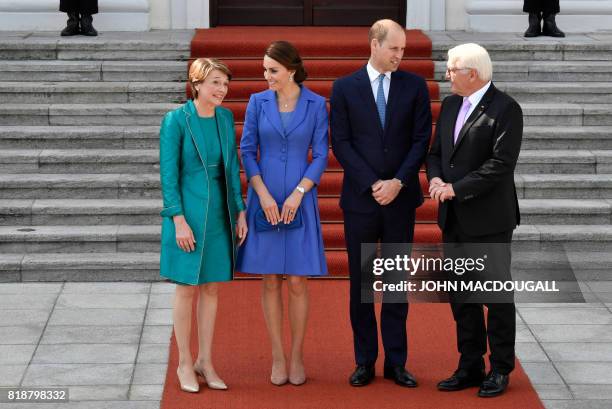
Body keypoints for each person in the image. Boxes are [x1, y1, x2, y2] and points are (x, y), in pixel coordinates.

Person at [330, 19, 432, 388]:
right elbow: (340, 143)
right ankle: (364, 361)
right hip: (360, 200)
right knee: (360, 285)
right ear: (375, 44)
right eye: (394, 49)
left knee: (394, 284)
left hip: (400, 200)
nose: (400, 56)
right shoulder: (344, 88)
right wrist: (374, 183)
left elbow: (421, 140)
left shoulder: (415, 86)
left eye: (403, 50)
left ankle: (396, 362)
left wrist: (398, 182)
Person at [426, 43, 522, 398]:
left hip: (490, 220)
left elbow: (501, 164)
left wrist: (456, 189)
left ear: (474, 73)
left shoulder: (506, 109)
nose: (447, 75)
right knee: (460, 295)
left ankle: (500, 368)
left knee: (495, 297)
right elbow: (435, 154)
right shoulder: (451, 104)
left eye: (452, 69)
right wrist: (435, 180)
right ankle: (470, 363)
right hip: (453, 218)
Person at [236, 41, 329, 386]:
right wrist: (261, 196)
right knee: (271, 278)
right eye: (264, 70)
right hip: (264, 197)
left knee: (298, 281)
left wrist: (298, 194)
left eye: (272, 70)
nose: (266, 76)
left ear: (291, 70)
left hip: (300, 199)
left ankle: (297, 355)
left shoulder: (317, 104)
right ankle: (277, 356)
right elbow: (247, 150)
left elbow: (320, 155)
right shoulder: (257, 102)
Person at [159, 58, 248, 393]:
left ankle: (205, 361)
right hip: (188, 217)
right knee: (186, 288)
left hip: (219, 217)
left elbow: (231, 170)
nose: (222, 90)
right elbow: (169, 177)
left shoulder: (225, 118)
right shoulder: (175, 121)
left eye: (225, 84)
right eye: (215, 82)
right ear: (196, 83)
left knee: (211, 288)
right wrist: (177, 220)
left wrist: (239, 210)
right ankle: (183, 362)